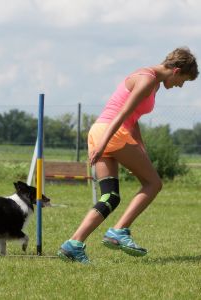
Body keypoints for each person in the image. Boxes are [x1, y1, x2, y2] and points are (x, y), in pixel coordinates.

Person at [57, 47, 199, 264]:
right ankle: (119, 231)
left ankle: (73, 244)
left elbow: (133, 118)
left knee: (110, 197)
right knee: (153, 184)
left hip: (101, 131)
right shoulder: (148, 80)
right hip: (111, 134)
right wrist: (104, 143)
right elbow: (123, 113)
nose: (181, 85)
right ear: (176, 71)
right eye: (184, 81)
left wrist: (140, 147)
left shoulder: (151, 81)